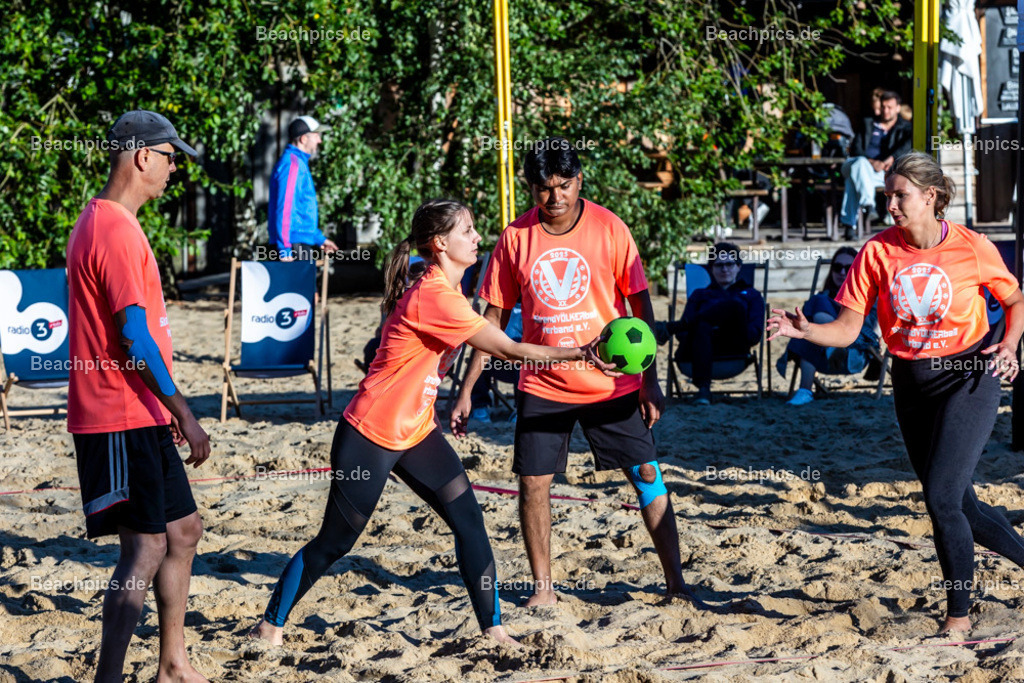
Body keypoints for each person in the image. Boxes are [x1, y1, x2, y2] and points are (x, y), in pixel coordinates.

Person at [251, 199, 608, 647]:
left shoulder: (445, 292)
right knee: (335, 542)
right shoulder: (434, 295)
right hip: (370, 434)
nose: (478, 237)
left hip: (417, 432)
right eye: (468, 231)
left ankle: (494, 631)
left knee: (469, 522)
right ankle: (270, 624)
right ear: (440, 243)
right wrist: (580, 353)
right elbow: (509, 349)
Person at [767, 151, 1024, 634]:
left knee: (942, 499)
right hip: (911, 383)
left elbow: (1014, 299)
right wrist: (805, 332)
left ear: (930, 197)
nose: (891, 205)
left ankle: (958, 619)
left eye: (900, 196)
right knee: (962, 505)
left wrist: (1008, 344)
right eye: (888, 196)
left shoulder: (971, 246)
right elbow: (846, 330)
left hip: (971, 374)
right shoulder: (876, 253)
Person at [452, 137, 693, 608]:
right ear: (531, 187)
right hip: (544, 382)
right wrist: (466, 389)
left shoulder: (610, 227)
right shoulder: (514, 239)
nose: (556, 196)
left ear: (580, 180)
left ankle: (676, 584)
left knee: (646, 471)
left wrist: (650, 379)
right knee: (534, 484)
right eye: (545, 187)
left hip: (610, 381)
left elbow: (640, 308)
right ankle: (544, 591)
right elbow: (490, 323)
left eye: (565, 184)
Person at [66, 110, 211, 682]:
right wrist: (185, 413)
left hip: (136, 409)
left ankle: (173, 664)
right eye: (171, 157)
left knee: (183, 530)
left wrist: (162, 410)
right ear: (142, 156)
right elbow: (134, 338)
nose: (175, 168)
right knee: (145, 548)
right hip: (115, 414)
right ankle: (109, 678)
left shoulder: (108, 221)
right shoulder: (113, 228)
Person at [657, 243, 765, 405]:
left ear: (738, 267)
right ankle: (703, 390)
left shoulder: (751, 295)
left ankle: (671, 327)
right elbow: (682, 336)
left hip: (734, 348)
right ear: (711, 269)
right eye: (719, 265)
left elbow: (754, 335)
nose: (724, 269)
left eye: (729, 264)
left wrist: (728, 325)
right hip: (694, 350)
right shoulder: (700, 295)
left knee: (734, 306)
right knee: (703, 327)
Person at [775, 247, 880, 406]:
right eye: (837, 267)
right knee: (812, 319)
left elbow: (874, 331)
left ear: (857, 270)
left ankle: (805, 390)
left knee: (813, 316)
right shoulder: (823, 298)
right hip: (824, 353)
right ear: (831, 271)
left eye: (849, 268)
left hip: (855, 350)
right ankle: (830, 342)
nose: (842, 272)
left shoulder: (869, 297)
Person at [840, 90, 913, 237]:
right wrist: (871, 162)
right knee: (859, 165)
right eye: (884, 107)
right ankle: (868, 203)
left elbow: (907, 145)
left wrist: (891, 159)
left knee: (853, 181)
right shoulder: (868, 123)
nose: (886, 110)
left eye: (890, 107)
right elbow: (856, 149)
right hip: (857, 163)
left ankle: (850, 225)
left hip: (882, 173)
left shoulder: (905, 127)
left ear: (898, 108)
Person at [268, 116, 339, 260]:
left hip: (297, 242)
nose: (320, 140)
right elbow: (285, 207)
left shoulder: (299, 163)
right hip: (292, 245)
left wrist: (319, 239)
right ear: (303, 139)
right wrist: (284, 249)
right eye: (316, 135)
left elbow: (302, 210)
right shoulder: (292, 164)